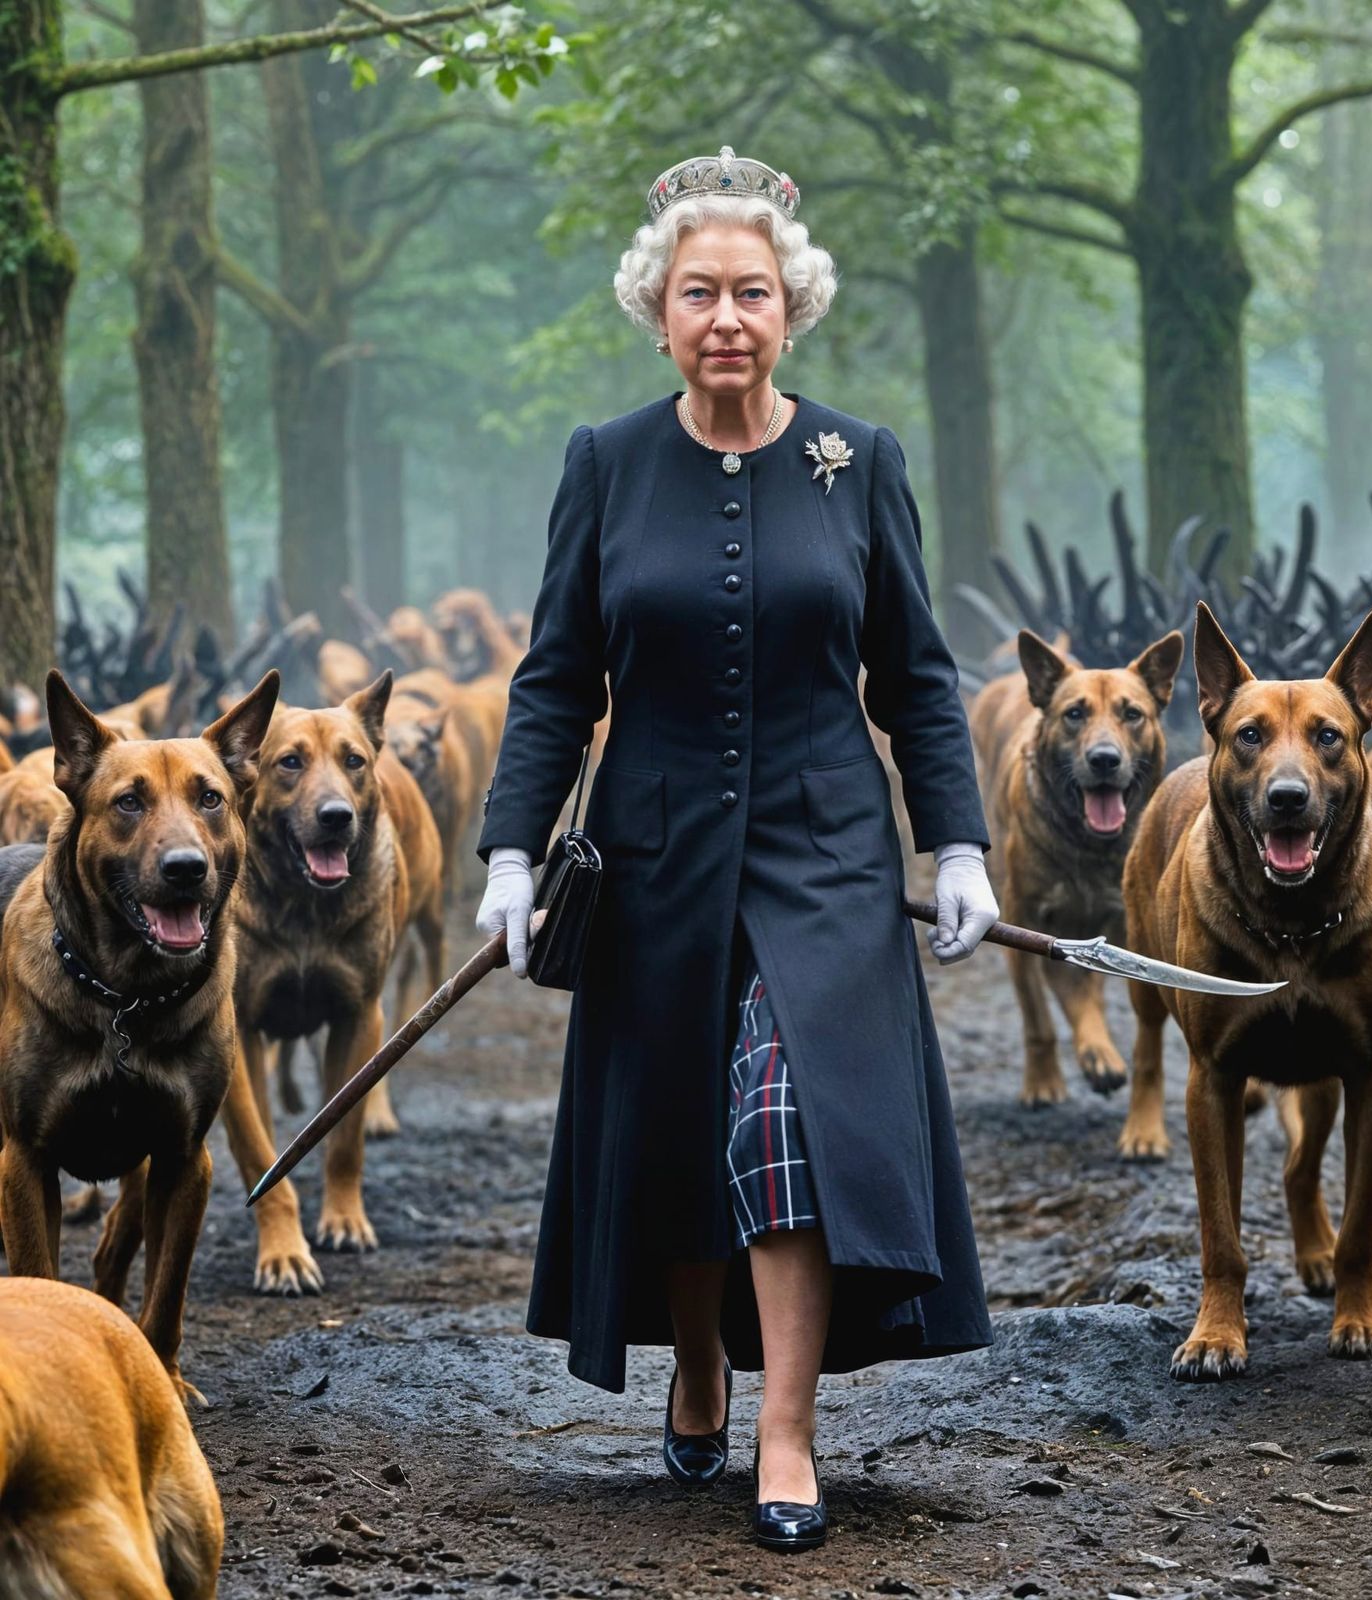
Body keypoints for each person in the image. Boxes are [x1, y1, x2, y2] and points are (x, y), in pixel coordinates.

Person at [475, 145, 999, 1553]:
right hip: (649, 860)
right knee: (676, 1125)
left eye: (750, 292)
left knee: (782, 1122)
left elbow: (917, 678)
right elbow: (555, 678)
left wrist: (956, 844)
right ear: (659, 313)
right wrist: (512, 852)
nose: (725, 317)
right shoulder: (605, 464)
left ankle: (786, 1431)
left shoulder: (860, 462)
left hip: (826, 858)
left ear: (791, 308)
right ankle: (699, 1360)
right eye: (698, 292)